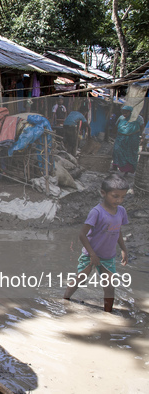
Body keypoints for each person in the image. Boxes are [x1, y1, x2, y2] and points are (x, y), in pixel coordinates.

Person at [63, 174, 129, 312]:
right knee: (80, 279)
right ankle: (65, 299)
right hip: (90, 255)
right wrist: (92, 254)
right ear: (103, 193)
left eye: (123, 197)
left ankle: (108, 313)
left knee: (110, 286)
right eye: (115, 196)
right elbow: (82, 234)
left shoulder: (121, 211)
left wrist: (123, 249)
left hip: (108, 256)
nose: (119, 200)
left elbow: (117, 231)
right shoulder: (96, 212)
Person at [112, 105, 144, 175]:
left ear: (130, 112)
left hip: (132, 139)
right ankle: (115, 166)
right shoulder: (121, 118)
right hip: (120, 138)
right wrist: (114, 134)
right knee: (117, 150)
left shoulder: (138, 118)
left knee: (130, 153)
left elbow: (142, 127)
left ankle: (127, 170)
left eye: (126, 112)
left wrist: (142, 137)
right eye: (123, 112)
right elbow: (116, 126)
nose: (124, 113)